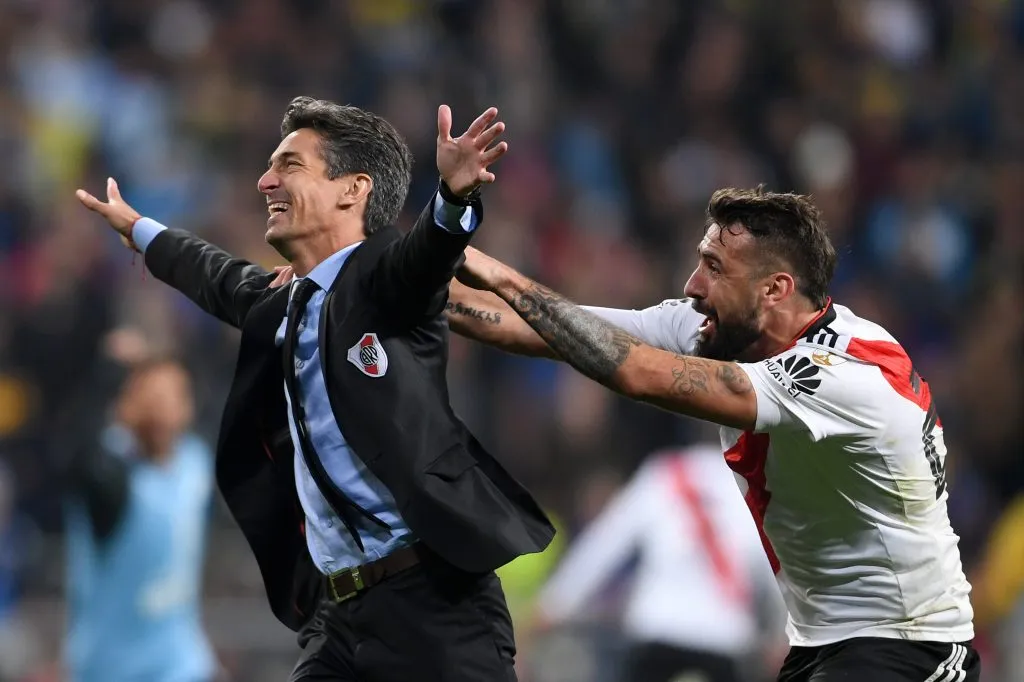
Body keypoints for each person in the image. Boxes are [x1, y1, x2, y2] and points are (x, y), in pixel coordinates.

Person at [76, 96, 553, 682]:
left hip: (437, 604)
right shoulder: (283, 301)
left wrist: (453, 197)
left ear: (352, 189)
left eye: (289, 165)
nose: (264, 180)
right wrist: (140, 230)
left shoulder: (386, 282)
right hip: (339, 617)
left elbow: (428, 253)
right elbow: (216, 277)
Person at [447, 186, 980, 682]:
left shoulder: (840, 377)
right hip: (822, 644)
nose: (691, 287)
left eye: (714, 269)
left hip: (912, 642)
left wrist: (498, 273)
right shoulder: (718, 331)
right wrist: (407, 270)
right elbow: (551, 329)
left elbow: (636, 372)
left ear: (775, 289)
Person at [533, 443, 784, 682]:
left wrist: (554, 603)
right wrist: (783, 635)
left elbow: (606, 541)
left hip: (655, 636)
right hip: (723, 643)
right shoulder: (748, 485)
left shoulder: (664, 472)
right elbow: (772, 563)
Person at [58, 347, 216, 682]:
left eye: (172, 394)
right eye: (149, 394)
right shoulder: (109, 472)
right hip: (109, 668)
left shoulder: (194, 462)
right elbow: (75, 451)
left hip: (181, 662)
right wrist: (108, 371)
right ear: (124, 406)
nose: (160, 406)